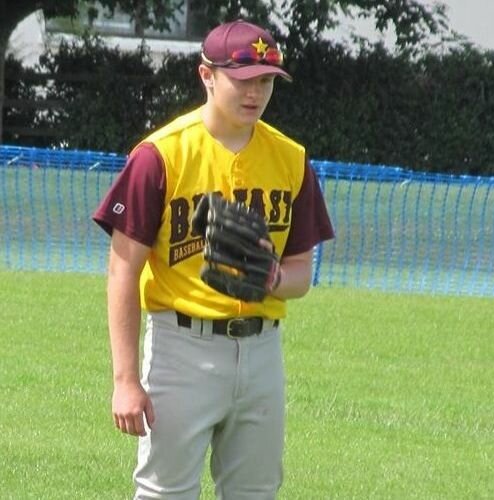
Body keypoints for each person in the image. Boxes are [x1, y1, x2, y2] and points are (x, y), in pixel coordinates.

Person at [93, 19, 334, 500]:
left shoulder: (291, 159)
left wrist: (270, 277)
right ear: (207, 75)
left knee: (256, 492)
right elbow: (123, 269)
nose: (256, 93)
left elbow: (302, 275)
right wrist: (125, 381)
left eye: (266, 80)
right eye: (243, 79)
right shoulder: (160, 156)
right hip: (183, 348)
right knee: (166, 492)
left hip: (263, 353)